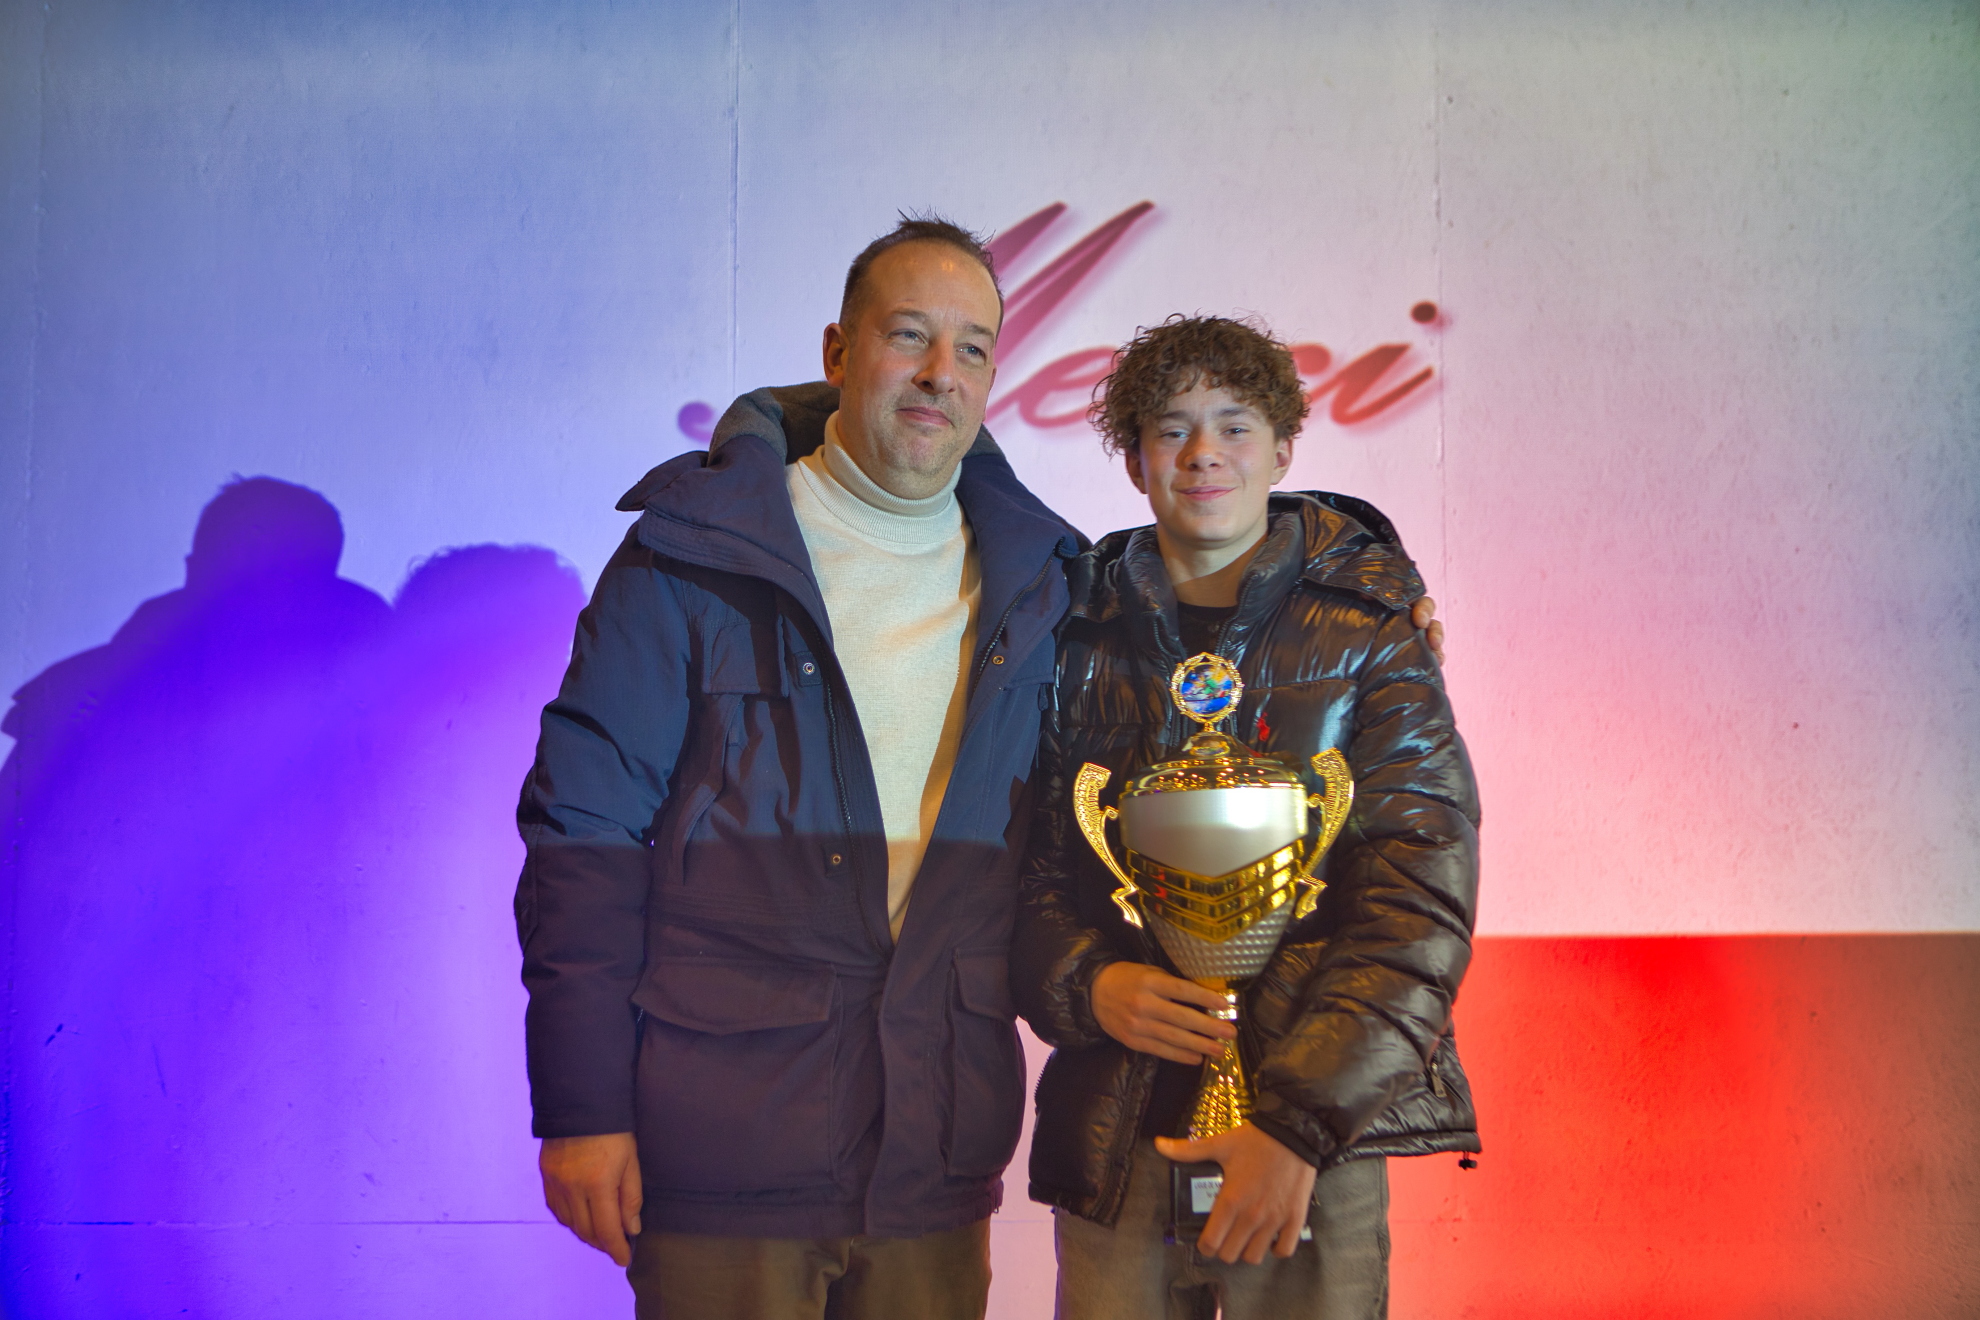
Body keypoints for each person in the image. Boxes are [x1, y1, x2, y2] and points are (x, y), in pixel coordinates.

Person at [513, 216, 1081, 1317]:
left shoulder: (1048, 581)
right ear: (837, 352)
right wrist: (582, 1106)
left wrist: (1379, 599)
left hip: (933, 1153)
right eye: (908, 335)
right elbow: (583, 836)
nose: (940, 372)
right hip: (728, 1142)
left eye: (971, 348)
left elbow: (1194, 650)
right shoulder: (693, 554)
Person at [1011, 315, 1481, 1319]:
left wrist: (1298, 1127)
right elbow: (1029, 873)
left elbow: (1418, 895)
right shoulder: (1067, 629)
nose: (1204, 454)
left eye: (1234, 425)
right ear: (1134, 459)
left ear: (1283, 448)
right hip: (1119, 1128)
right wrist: (1089, 986)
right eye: (1171, 428)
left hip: (1312, 1146)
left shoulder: (1372, 628)